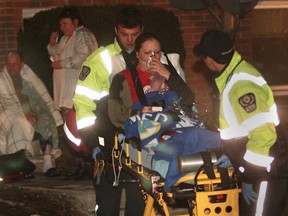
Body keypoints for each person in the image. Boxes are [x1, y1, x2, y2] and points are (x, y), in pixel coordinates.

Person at [108, 32, 222, 191]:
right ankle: (180, 160)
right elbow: (114, 114)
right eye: (147, 53)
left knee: (197, 135)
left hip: (176, 120)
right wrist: (137, 113)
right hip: (151, 123)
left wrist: (168, 74)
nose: (153, 57)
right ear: (137, 54)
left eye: (157, 52)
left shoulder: (168, 71)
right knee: (181, 141)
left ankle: (218, 151)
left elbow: (189, 100)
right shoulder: (123, 78)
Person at [193, 29, 288, 215]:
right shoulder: (235, 76)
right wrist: (232, 155)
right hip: (262, 171)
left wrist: (249, 175)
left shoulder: (241, 86)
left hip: (265, 172)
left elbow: (263, 136)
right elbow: (242, 130)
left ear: (210, 60)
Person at [72, 7, 145, 216]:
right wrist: (92, 140)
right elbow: (83, 102)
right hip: (108, 144)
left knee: (138, 204)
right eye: (124, 35)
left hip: (141, 145)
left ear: (142, 31)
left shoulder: (151, 55)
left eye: (135, 35)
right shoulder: (100, 60)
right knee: (108, 204)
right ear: (116, 31)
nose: (130, 40)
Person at [0, 51, 63, 177]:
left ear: (21, 65)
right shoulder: (2, 83)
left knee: (46, 118)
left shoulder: (29, 80)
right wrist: (25, 115)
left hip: (33, 116)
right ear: (5, 66)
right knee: (18, 122)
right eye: (9, 64)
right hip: (12, 118)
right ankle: (21, 162)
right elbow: (6, 106)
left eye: (15, 64)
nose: (12, 67)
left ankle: (47, 164)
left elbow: (41, 101)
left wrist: (34, 114)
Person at [47, 6, 98, 120]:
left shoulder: (82, 35)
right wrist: (52, 45)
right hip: (65, 94)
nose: (62, 27)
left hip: (76, 94)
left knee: (76, 128)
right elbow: (55, 57)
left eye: (65, 23)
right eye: (60, 24)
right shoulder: (66, 38)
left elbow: (83, 56)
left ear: (75, 22)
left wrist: (62, 64)